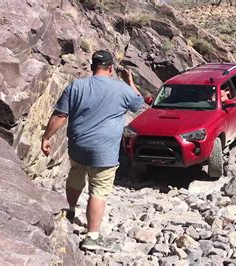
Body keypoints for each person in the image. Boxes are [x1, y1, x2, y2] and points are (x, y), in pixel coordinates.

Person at [40, 50, 143, 251]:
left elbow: (60, 115)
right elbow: (137, 104)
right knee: (99, 191)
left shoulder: (77, 86)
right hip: (104, 150)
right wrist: (129, 81)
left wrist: (46, 137)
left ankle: (69, 211)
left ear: (92, 66)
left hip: (79, 146)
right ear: (111, 68)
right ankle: (92, 237)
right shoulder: (121, 88)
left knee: (75, 176)